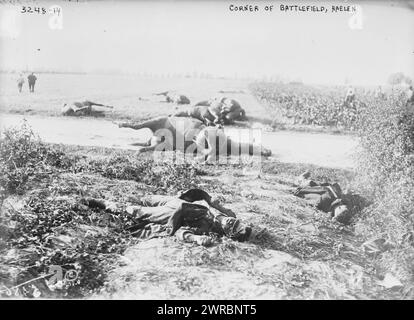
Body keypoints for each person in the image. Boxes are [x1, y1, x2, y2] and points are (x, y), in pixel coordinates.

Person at [81, 188, 252, 246]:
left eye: (233, 226)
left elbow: (182, 232)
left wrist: (196, 239)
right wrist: (212, 202)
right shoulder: (228, 214)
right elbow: (202, 195)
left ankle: (100, 203)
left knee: (134, 210)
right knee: (144, 198)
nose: (232, 222)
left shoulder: (206, 227)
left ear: (227, 232)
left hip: (171, 214)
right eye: (237, 223)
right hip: (175, 200)